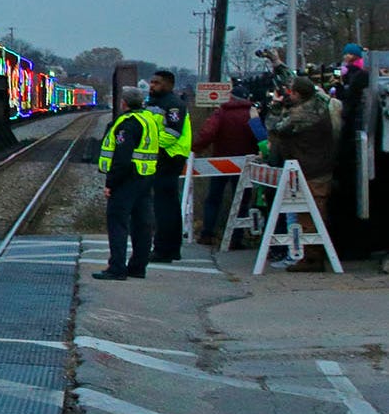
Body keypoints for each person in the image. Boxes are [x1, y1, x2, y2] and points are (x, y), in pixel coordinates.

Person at [266, 77, 336, 271]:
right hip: (321, 165)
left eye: (292, 92)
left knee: (309, 214)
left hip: (310, 169)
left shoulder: (300, 115)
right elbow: (303, 84)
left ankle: (311, 258)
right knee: (317, 211)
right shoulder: (320, 103)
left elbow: (275, 128)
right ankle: (314, 255)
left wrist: (276, 107)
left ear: (298, 94)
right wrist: (277, 63)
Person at [93, 87, 160, 281]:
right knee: (142, 224)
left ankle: (117, 268)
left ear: (124, 103)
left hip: (127, 180)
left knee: (118, 224)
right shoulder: (149, 120)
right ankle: (138, 267)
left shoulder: (127, 124)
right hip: (146, 178)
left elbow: (122, 158)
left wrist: (110, 183)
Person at [193, 87, 257, 246]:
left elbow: (208, 133)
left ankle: (208, 233)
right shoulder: (252, 113)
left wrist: (196, 149)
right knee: (242, 200)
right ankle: (236, 237)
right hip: (246, 163)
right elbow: (260, 135)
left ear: (230, 97)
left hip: (219, 162)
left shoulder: (221, 113)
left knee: (214, 198)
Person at [144, 70, 192, 262]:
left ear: (169, 85)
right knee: (168, 205)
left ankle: (163, 249)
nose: (152, 85)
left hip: (169, 157)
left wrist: (149, 145)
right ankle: (171, 248)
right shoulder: (154, 103)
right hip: (163, 157)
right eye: (151, 82)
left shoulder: (173, 105)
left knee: (164, 207)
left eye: (157, 83)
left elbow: (171, 134)